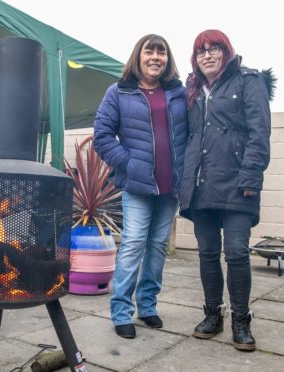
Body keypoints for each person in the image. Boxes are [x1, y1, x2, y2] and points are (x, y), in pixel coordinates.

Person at [179, 29, 274, 351]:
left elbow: (260, 133)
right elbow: (186, 137)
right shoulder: (190, 90)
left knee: (236, 252)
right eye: (200, 50)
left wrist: (250, 177)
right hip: (200, 186)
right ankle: (212, 314)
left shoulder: (249, 81)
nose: (207, 55)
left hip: (237, 183)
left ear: (226, 52)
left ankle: (241, 319)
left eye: (214, 48)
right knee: (206, 253)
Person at [93, 34, 188, 339]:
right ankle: (121, 311)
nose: (156, 57)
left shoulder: (178, 93)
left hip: (169, 187)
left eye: (161, 52)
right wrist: (129, 163)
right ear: (139, 56)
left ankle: (147, 307)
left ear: (167, 59)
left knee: (158, 248)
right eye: (150, 51)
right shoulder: (118, 92)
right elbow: (102, 136)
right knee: (133, 245)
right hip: (136, 185)